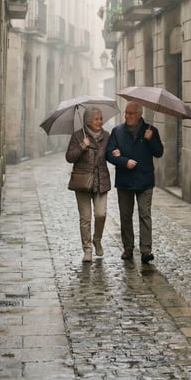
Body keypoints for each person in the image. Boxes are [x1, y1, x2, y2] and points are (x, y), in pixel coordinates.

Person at [106, 102, 164, 263]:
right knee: (125, 216)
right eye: (126, 113)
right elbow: (109, 153)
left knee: (145, 214)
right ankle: (128, 247)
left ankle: (146, 250)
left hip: (145, 179)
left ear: (139, 114)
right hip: (124, 179)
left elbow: (159, 152)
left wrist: (151, 140)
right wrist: (124, 162)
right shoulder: (117, 131)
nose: (127, 116)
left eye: (131, 113)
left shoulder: (151, 131)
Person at [65, 107, 111, 263]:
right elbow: (70, 157)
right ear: (88, 121)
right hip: (83, 182)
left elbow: (110, 154)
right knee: (85, 218)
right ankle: (88, 249)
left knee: (101, 214)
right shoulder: (78, 136)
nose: (100, 121)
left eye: (101, 118)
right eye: (97, 119)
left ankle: (97, 239)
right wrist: (82, 146)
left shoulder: (106, 136)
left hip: (101, 180)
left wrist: (117, 154)